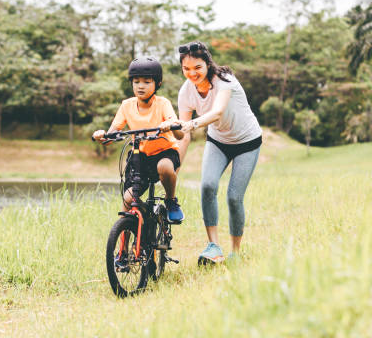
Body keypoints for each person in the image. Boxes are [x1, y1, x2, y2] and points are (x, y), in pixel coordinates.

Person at [167, 41, 262, 265]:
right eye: (186, 69)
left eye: (197, 67)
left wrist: (190, 125)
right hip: (218, 141)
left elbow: (217, 112)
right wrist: (174, 168)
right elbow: (184, 133)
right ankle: (214, 247)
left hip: (247, 141)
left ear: (207, 64)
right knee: (207, 186)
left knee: (234, 197)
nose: (192, 73)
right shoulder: (186, 92)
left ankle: (235, 253)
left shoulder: (225, 81)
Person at [92, 57, 185, 226]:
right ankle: (122, 249)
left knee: (164, 167)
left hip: (165, 153)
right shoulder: (126, 105)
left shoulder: (162, 103)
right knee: (128, 201)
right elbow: (112, 134)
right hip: (140, 156)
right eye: (136, 82)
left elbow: (179, 134)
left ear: (157, 84)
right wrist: (102, 136)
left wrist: (170, 124)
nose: (140, 86)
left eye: (147, 82)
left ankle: (171, 200)